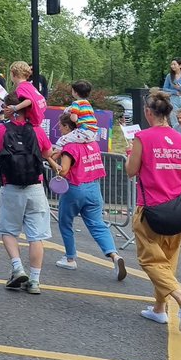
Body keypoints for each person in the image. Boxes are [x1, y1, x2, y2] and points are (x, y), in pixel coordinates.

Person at [125, 90, 181, 331]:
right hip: (177, 209)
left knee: (150, 260)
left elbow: (131, 171)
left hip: (150, 209)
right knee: (167, 262)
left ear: (148, 112)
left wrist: (129, 155)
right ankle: (159, 309)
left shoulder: (142, 137)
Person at [0, 93, 58, 294]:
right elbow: (47, 153)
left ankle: (17, 268)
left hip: (10, 188)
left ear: (8, 108)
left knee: (8, 231)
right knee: (36, 236)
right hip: (35, 187)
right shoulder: (36, 131)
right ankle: (34, 281)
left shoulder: (0, 129)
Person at [50, 113, 126, 280]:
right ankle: (114, 256)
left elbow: (63, 171)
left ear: (69, 128)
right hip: (94, 188)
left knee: (65, 223)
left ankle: (70, 258)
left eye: (61, 127)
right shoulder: (93, 143)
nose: (60, 130)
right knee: (98, 225)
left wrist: (49, 160)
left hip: (75, 188)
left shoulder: (69, 147)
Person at [7, 61, 47, 128]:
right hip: (38, 121)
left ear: (13, 74)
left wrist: (14, 108)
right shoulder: (29, 85)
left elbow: (29, 101)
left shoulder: (21, 87)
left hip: (31, 124)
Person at [62, 80, 99, 145]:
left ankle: (53, 155)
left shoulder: (76, 103)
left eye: (72, 91)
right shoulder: (87, 103)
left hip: (83, 131)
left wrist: (70, 114)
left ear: (75, 93)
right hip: (93, 132)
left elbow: (74, 119)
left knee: (62, 140)